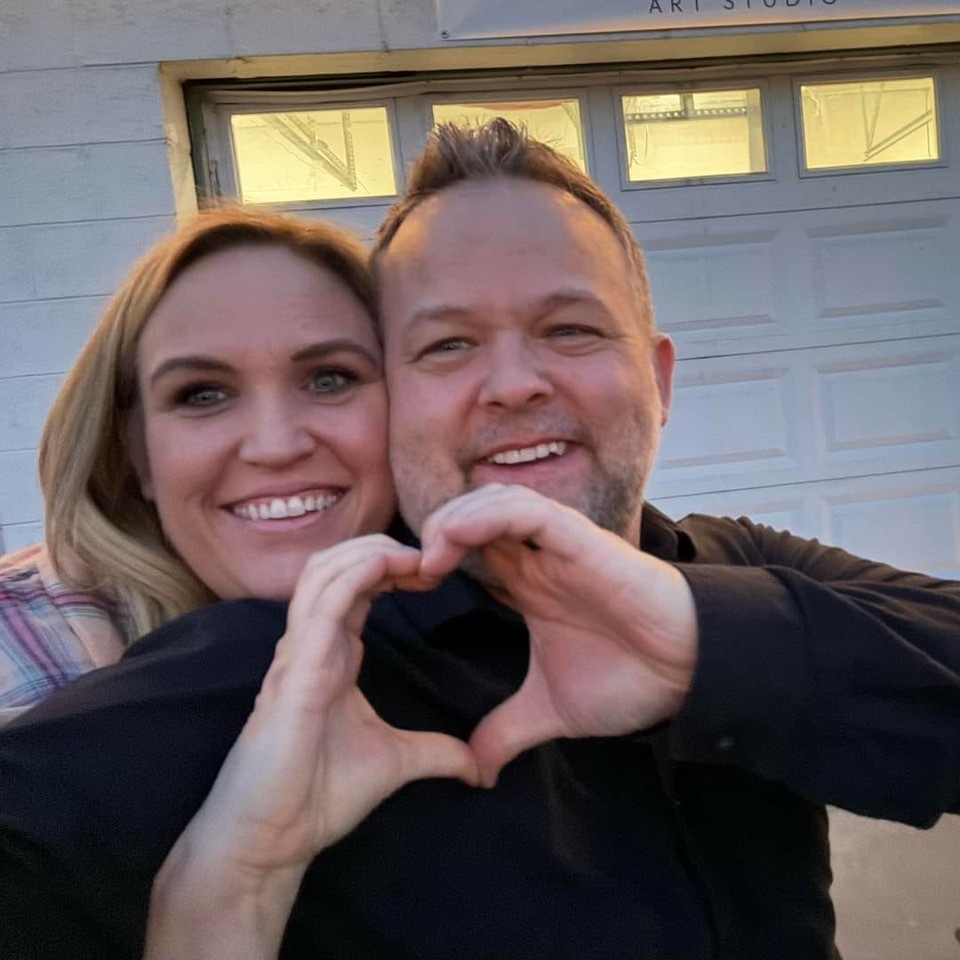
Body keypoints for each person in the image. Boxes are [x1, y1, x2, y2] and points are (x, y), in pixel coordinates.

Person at [1, 122, 958, 960]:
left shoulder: (734, 564)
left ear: (659, 382)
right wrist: (224, 886)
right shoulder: (289, 670)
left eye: (571, 329)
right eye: (447, 345)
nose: (511, 384)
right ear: (398, 400)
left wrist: (702, 641)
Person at [0, 205, 400, 726]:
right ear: (133, 453)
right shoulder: (27, 646)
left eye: (329, 379)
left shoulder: (491, 619)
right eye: (202, 394)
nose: (276, 446)